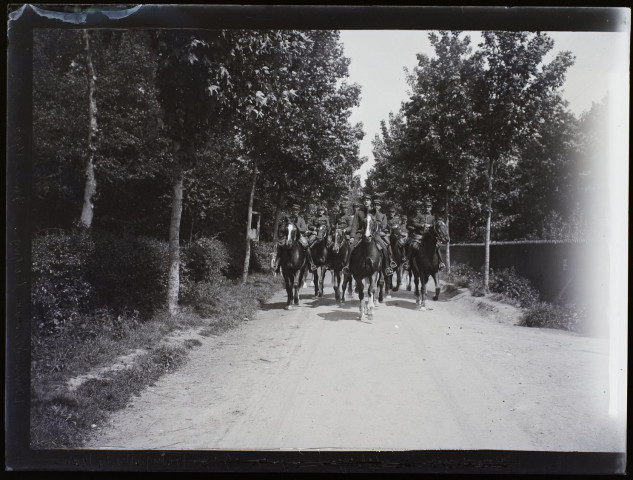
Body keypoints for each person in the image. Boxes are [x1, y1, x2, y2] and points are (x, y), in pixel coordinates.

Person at [343, 195, 394, 276]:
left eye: (367, 200)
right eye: (364, 200)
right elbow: (354, 225)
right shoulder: (358, 212)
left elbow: (380, 223)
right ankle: (347, 266)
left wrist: (374, 227)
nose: (366, 201)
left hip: (374, 234)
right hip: (360, 233)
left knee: (384, 247)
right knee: (351, 247)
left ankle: (388, 266)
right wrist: (352, 237)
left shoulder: (374, 211)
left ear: (370, 201)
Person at [272, 203, 316, 273]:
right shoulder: (288, 219)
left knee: (306, 245)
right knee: (280, 245)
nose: (295, 211)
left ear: (298, 211)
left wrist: (296, 228)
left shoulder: (301, 219)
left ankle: (311, 264)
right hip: (288, 236)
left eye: (297, 210)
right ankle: (277, 264)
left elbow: (304, 228)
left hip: (299, 236)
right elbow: (283, 227)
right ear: (292, 210)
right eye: (294, 210)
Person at [407, 198, 445, 270]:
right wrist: (422, 225)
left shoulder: (433, 217)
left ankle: (441, 262)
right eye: (426, 207)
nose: (427, 208)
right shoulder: (420, 216)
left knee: (437, 246)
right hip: (420, 235)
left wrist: (431, 226)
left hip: (430, 236)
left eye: (429, 207)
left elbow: (436, 225)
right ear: (424, 208)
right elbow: (414, 223)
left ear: (431, 208)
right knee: (412, 245)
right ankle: (407, 262)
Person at [372, 198, 398, 272]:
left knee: (387, 245)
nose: (376, 207)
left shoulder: (383, 215)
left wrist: (378, 226)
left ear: (380, 207)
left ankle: (389, 263)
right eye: (375, 205)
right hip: (369, 234)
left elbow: (384, 225)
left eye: (378, 205)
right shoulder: (369, 214)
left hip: (379, 234)